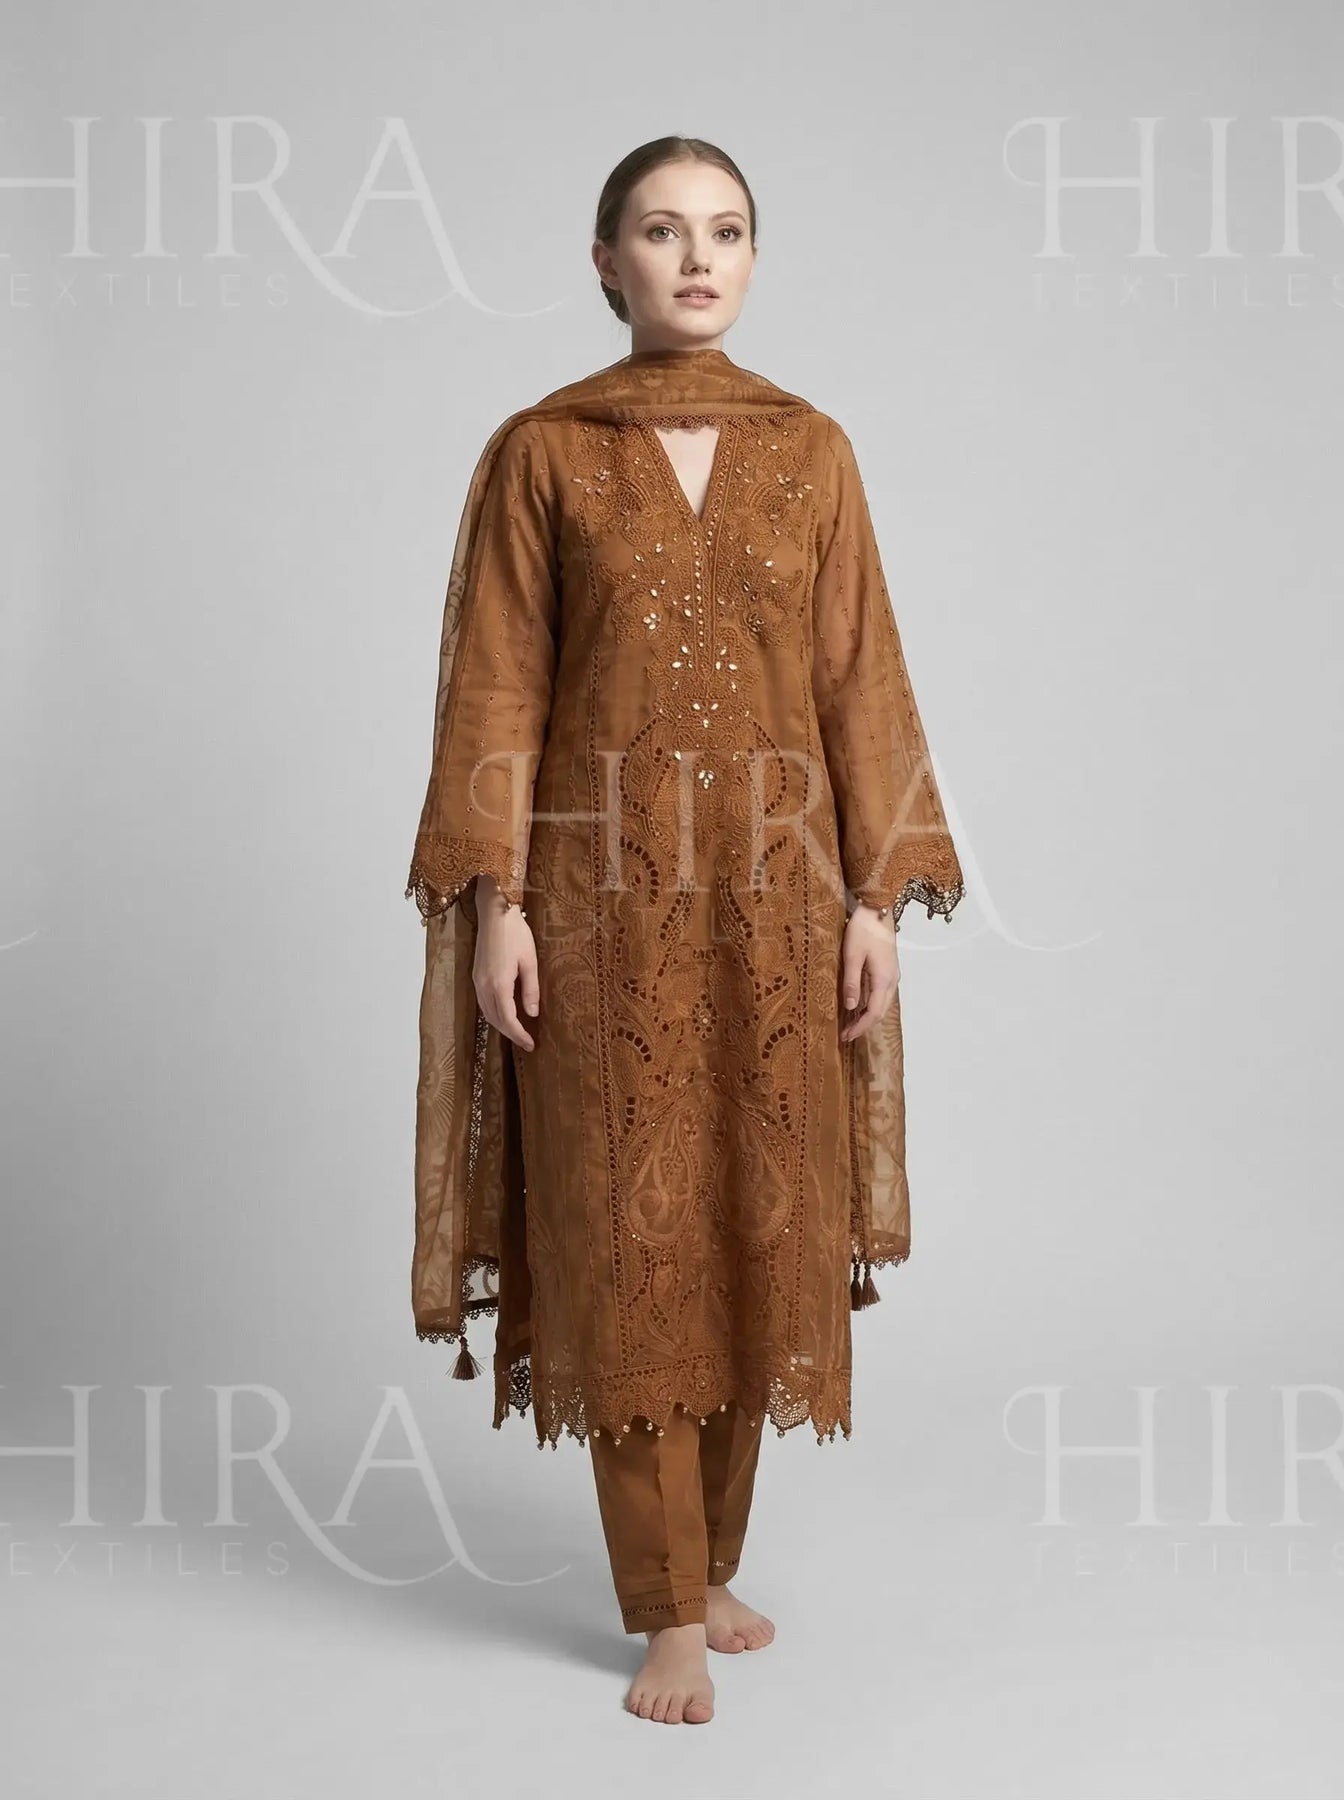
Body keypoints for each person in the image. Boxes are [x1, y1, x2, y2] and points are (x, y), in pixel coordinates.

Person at [403, 136, 965, 1725]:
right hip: (597, 916)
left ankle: (710, 1565)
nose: (697, 258)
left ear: (754, 259)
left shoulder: (814, 453)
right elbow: (497, 690)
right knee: (631, 1242)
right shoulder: (546, 452)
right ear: (607, 261)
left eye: (724, 231)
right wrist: (500, 907)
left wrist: (876, 903)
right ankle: (660, 1610)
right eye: (661, 231)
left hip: (778, 915)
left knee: (754, 1232)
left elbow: (861, 678)